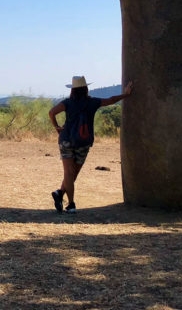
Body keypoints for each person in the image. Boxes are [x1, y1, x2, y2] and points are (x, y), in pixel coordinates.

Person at [49, 76, 133, 214]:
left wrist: (57, 127)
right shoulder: (92, 102)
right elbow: (111, 100)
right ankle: (70, 203)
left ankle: (61, 195)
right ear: (86, 88)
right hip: (84, 141)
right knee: (73, 173)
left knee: (69, 173)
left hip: (66, 140)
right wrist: (126, 94)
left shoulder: (67, 103)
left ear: (73, 90)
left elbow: (51, 112)